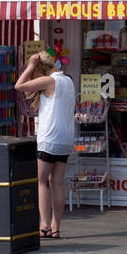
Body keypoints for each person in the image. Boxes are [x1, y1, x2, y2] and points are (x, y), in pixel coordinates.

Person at [15, 51, 74, 239]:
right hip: (65, 139)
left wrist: (30, 66)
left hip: (49, 138)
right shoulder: (69, 81)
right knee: (57, 183)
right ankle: (56, 227)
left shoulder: (50, 81)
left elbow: (19, 86)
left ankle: (44, 225)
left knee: (41, 182)